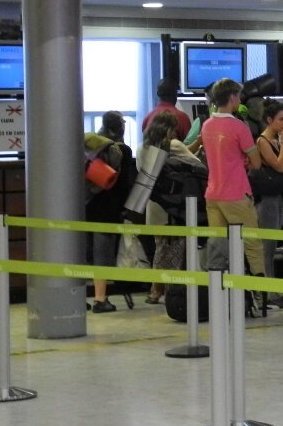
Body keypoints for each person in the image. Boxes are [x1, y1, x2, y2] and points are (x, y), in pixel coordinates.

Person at [200, 78, 266, 278]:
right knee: (252, 243)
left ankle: (217, 291)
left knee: (218, 245)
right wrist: (243, 160)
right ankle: (260, 292)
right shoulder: (239, 127)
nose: (240, 99)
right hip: (236, 193)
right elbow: (256, 163)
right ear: (231, 97)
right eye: (238, 95)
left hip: (213, 193)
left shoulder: (207, 125)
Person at [140, 110, 205, 304]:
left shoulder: (142, 148)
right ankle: (170, 291)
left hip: (153, 204)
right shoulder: (174, 144)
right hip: (172, 206)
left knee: (160, 248)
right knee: (174, 250)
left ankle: (156, 289)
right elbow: (196, 164)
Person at [87, 111, 135, 313]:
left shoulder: (91, 146)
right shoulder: (121, 150)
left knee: (84, 252)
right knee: (103, 254)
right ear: (120, 127)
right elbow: (127, 184)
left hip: (85, 204)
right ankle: (100, 299)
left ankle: (74, 296)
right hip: (108, 208)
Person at [255, 99, 283, 309]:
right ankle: (268, 292)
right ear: (269, 120)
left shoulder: (277, 141)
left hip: (278, 197)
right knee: (267, 247)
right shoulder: (263, 141)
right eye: (281, 119)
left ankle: (271, 289)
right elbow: (279, 166)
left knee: (272, 246)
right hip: (268, 200)